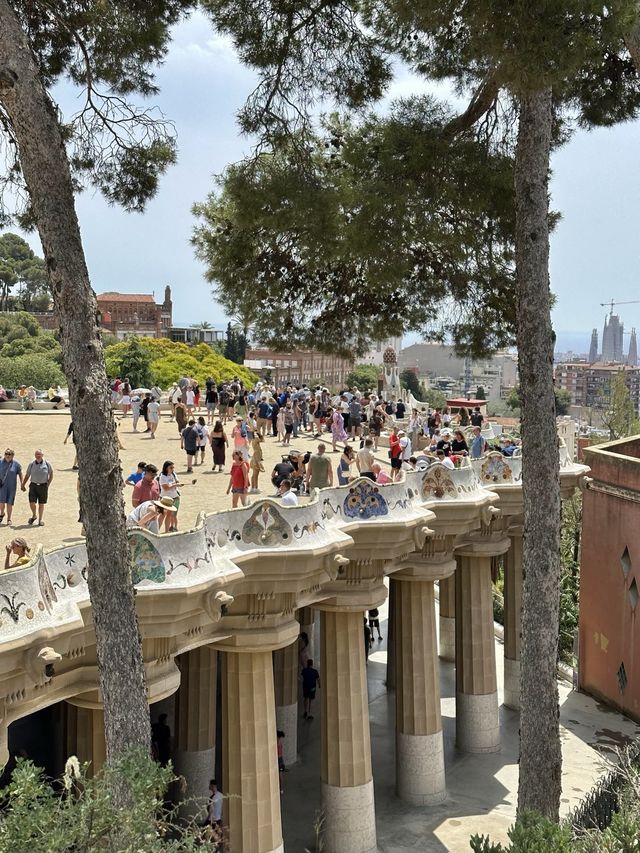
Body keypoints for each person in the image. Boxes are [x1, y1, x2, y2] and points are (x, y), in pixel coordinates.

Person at [22, 449, 53, 526]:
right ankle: (34, 515)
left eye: (39, 454)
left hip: (43, 486)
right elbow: (27, 475)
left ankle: (40, 520)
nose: (38, 456)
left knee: (41, 504)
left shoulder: (47, 464)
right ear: (35, 455)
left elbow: (51, 474)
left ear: (42, 455)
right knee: (31, 502)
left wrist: (48, 484)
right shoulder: (31, 464)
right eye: (37, 454)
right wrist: (23, 484)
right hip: (33, 485)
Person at [0, 448, 23, 525]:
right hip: (1, 486)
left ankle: (9, 519)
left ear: (13, 455)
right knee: (1, 502)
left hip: (11, 487)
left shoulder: (16, 464)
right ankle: (2, 513)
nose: (7, 455)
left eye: (9, 454)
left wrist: (22, 483)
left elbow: (20, 473)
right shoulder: (0, 462)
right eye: (6, 454)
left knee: (9, 503)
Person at [158, 460, 182, 532]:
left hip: (175, 497)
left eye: (173, 468)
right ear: (166, 468)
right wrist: (175, 485)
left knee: (172, 515)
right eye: (171, 468)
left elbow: (177, 481)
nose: (172, 469)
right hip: (165, 498)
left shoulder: (173, 474)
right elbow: (166, 488)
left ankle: (169, 530)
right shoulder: (162, 476)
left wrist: (178, 484)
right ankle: (157, 530)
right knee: (163, 515)